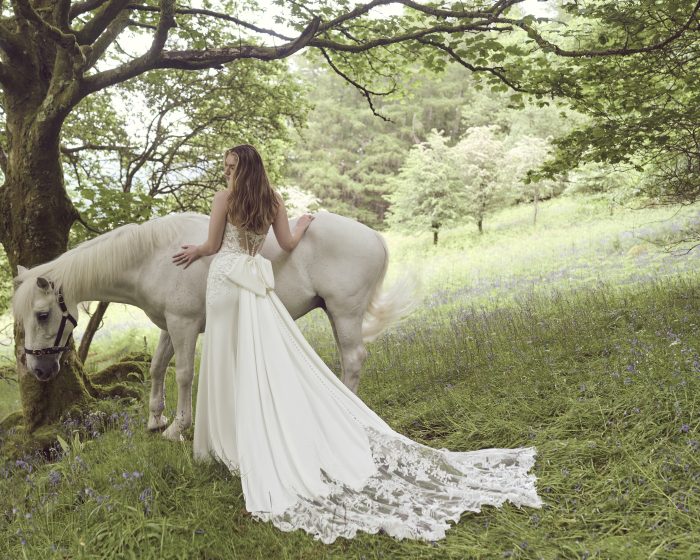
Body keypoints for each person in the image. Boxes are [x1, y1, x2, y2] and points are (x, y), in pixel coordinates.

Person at [172, 144, 542, 544]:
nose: (226, 174)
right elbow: (289, 244)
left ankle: (221, 441)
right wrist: (303, 224)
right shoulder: (272, 199)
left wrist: (195, 251)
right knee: (252, 359)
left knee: (224, 359)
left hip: (226, 280)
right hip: (255, 282)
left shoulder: (225, 199)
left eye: (230, 168)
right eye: (225, 168)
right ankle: (242, 434)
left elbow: (211, 247)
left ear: (242, 169)